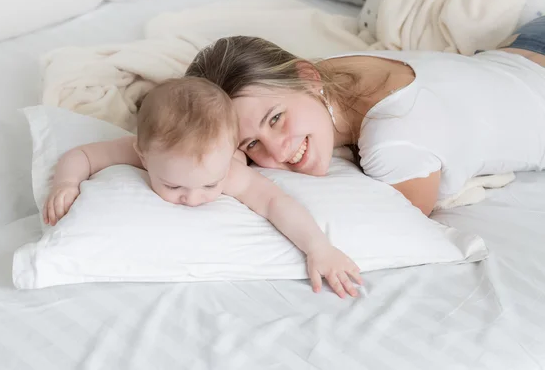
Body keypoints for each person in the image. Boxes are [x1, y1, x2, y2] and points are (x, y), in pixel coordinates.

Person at [184, 16, 545, 216]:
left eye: (276, 119)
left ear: (307, 77)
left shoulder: (392, 138)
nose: (277, 153)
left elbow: (402, 223)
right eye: (251, 144)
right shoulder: (329, 72)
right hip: (524, 45)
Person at [43, 77, 363, 298]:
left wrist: (319, 247)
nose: (194, 198)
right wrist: (67, 183)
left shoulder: (230, 170)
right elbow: (82, 155)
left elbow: (274, 202)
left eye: (210, 184)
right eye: (173, 185)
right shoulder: (142, 149)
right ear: (143, 154)